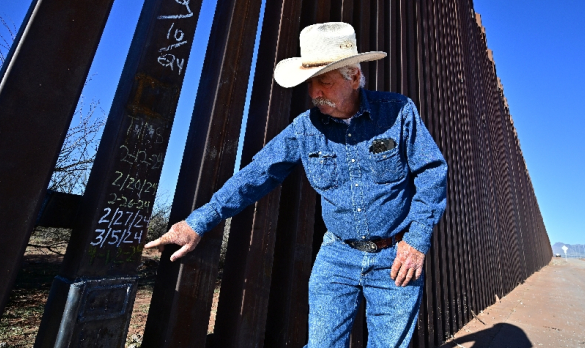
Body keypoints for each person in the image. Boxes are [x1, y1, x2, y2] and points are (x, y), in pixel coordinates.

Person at [146, 22, 447, 347]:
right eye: (310, 83)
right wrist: (197, 222)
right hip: (337, 257)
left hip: (396, 257)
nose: (315, 93)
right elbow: (256, 175)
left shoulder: (399, 112)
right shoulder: (304, 129)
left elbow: (432, 172)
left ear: (355, 77)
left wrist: (416, 242)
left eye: (325, 82)